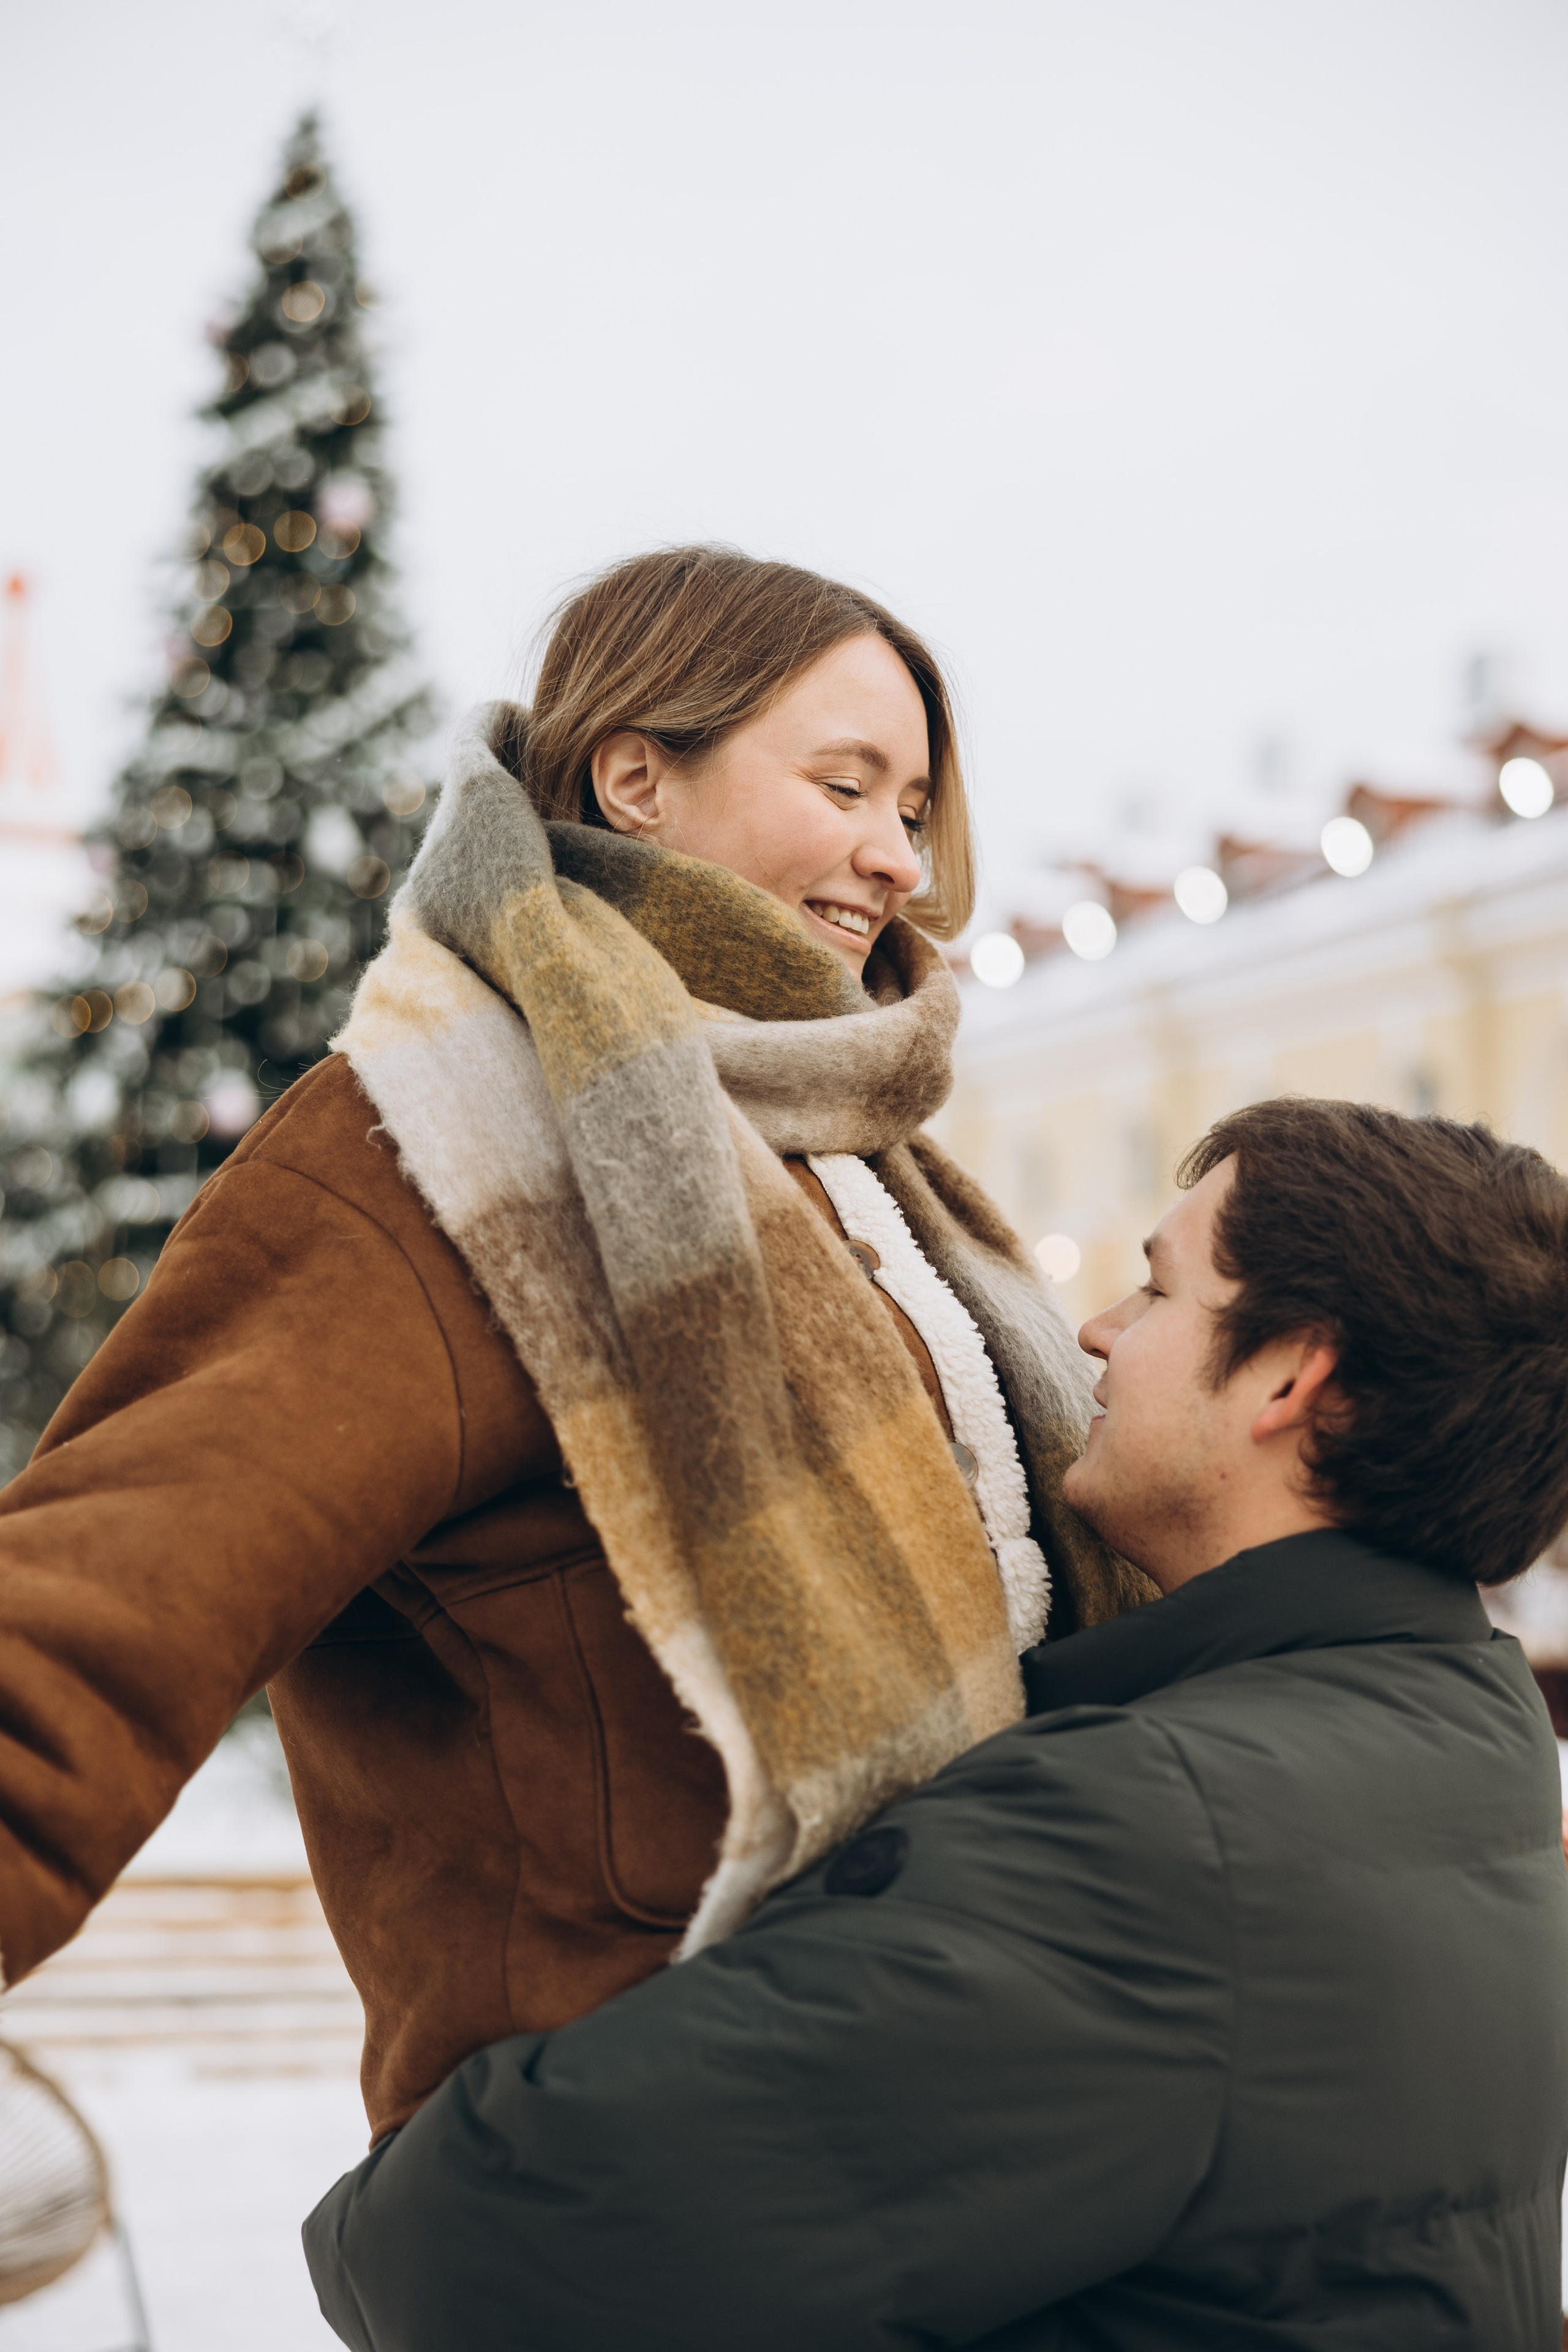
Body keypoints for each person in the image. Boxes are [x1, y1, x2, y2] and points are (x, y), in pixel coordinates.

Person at [0, 547, 1145, 2143]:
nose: (897, 859)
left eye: (911, 809)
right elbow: (92, 1621)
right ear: (635, 779)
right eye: (845, 787)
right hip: (635, 2150)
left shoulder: (869, 1157)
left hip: (966, 2112)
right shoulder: (437, 1144)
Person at [307, 1098, 1568, 2352]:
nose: (1099, 1328)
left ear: (1291, 1376)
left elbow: (484, 2257)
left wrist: (398, 2175)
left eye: (1157, 1290)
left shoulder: (1154, 1838)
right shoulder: (1470, 1742)